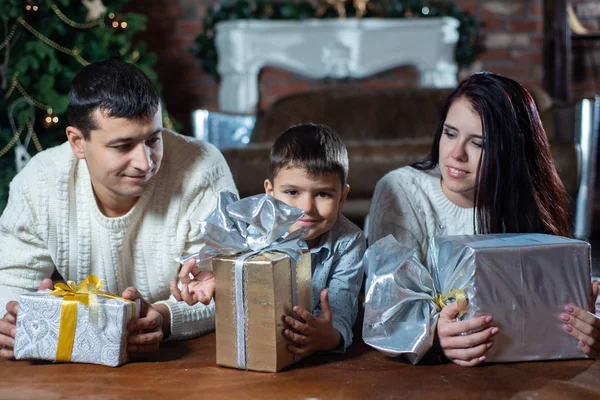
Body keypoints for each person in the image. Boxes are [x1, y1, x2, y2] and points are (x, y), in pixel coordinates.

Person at [0, 59, 235, 360]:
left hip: (185, 361)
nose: (145, 162)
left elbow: (231, 287)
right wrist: (10, 321)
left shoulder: (203, 169)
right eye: (123, 146)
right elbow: (10, 284)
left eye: (153, 139)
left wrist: (164, 317)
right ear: (77, 142)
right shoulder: (40, 182)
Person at [368, 72, 600, 366]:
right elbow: (385, 305)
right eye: (450, 133)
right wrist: (433, 336)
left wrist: (588, 325)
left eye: (479, 143)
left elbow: (567, 298)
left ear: (511, 153)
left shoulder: (529, 201)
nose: (456, 154)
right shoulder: (400, 190)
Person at [174, 123, 366, 355]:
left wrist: (330, 336)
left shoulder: (349, 241)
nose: (306, 207)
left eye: (323, 194)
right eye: (292, 192)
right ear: (270, 192)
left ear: (342, 197)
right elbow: (240, 293)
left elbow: (341, 313)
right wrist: (220, 282)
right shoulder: (251, 235)